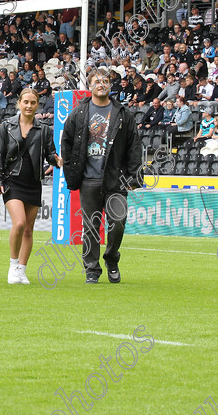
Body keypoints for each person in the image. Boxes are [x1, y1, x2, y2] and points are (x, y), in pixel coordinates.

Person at [60, 68, 142, 284]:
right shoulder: (79, 112)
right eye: (97, 81)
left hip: (116, 180)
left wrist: (135, 176)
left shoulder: (123, 113)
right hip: (88, 180)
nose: (102, 84)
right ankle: (92, 269)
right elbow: (66, 142)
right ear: (90, 86)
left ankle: (112, 259)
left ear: (110, 85)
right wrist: (71, 172)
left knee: (118, 222)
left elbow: (134, 146)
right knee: (90, 228)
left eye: (105, 81)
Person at [0, 88, 63, 285]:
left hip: (33, 182)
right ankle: (13, 265)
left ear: (37, 105)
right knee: (20, 223)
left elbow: (50, 153)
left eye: (33, 102)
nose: (29, 106)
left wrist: (56, 160)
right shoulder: (6, 127)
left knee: (29, 230)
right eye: (26, 102)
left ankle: (22, 270)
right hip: (11, 181)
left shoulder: (44, 129)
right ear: (19, 104)